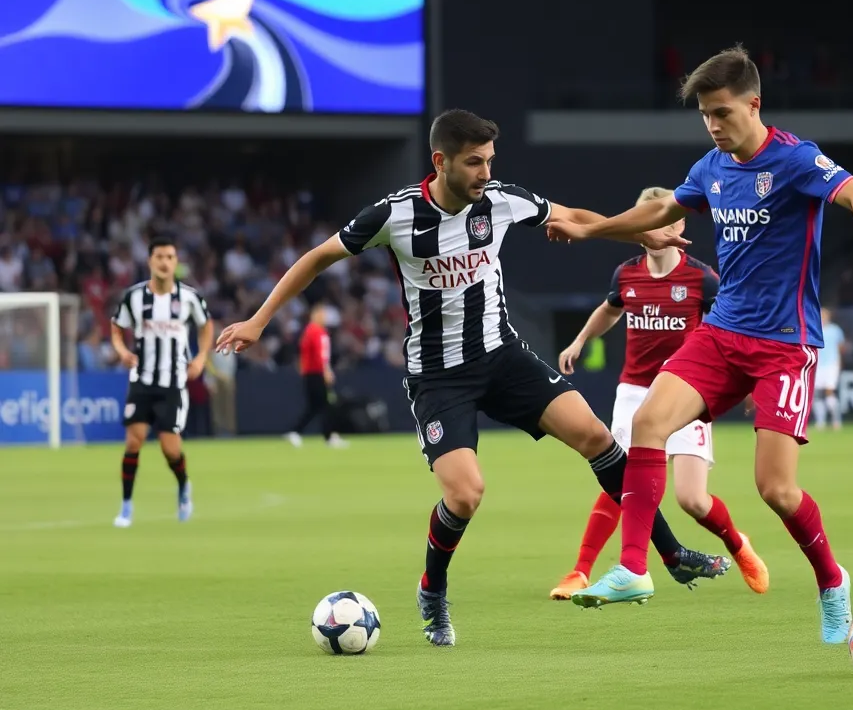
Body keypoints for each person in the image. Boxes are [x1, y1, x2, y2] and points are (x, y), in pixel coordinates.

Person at [215, 109, 729, 648]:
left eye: (490, 161)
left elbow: (573, 215)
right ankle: (432, 590)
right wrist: (258, 320)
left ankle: (672, 555)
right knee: (466, 495)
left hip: (502, 357)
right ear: (440, 162)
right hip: (438, 378)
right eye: (474, 162)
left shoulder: (503, 201)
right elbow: (318, 259)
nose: (486, 172)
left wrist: (641, 235)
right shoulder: (395, 215)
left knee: (600, 439)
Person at [547, 46, 853, 644]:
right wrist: (591, 228)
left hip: (786, 343)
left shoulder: (795, 159)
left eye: (722, 113)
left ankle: (831, 580)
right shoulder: (712, 166)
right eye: (705, 115)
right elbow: (659, 210)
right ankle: (634, 567)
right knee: (650, 422)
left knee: (776, 490)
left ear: (753, 104)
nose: (713, 125)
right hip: (723, 331)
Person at [550, 186, 769, 600]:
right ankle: (580, 570)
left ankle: (738, 544)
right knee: (619, 483)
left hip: (687, 390)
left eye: (663, 217)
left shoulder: (701, 278)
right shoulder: (626, 274)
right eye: (645, 218)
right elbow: (609, 309)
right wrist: (580, 341)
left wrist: (748, 380)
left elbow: (733, 327)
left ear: (680, 223)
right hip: (635, 391)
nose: (654, 226)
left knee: (692, 499)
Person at [110, 237, 213, 528]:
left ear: (175, 262)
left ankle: (183, 486)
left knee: (170, 449)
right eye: (159, 257)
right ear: (150, 261)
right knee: (134, 442)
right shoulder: (134, 297)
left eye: (170, 257)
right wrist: (122, 352)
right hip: (142, 379)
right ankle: (126, 506)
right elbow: (116, 327)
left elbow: (207, 325)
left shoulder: (190, 297)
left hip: (173, 382)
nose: (165, 262)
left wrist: (201, 357)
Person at [286, 303, 349, 448]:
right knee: (327, 405)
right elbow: (322, 354)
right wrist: (326, 371)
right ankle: (329, 436)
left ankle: (296, 431)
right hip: (316, 373)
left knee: (315, 407)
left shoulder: (309, 331)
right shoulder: (317, 332)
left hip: (310, 373)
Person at [813, 307, 846, 431]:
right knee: (816, 394)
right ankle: (820, 422)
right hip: (817, 365)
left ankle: (836, 421)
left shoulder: (835, 330)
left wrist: (839, 362)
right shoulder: (814, 329)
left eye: (824, 315)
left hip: (831, 365)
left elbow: (841, 347)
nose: (822, 318)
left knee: (829, 391)